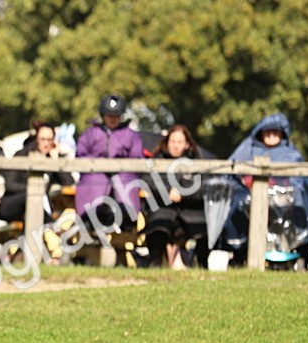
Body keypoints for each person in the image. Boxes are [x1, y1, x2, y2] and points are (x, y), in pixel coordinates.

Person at [222, 113, 308, 266]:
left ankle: (289, 255)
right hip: (248, 203)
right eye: (267, 132)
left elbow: (299, 183)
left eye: (275, 132)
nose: (271, 135)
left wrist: (283, 191)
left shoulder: (291, 154)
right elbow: (230, 175)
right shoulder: (247, 150)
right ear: (260, 133)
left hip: (283, 206)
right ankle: (241, 254)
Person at [75, 94, 143, 238]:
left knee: (127, 188)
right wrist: (99, 165)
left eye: (116, 115)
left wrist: (119, 167)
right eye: (109, 115)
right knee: (92, 185)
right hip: (95, 177)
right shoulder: (90, 133)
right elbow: (81, 154)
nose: (112, 118)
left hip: (123, 177)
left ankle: (126, 222)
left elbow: (137, 157)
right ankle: (88, 222)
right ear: (103, 115)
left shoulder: (131, 135)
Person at [143, 124, 211, 268]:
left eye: (179, 142)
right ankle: (155, 263)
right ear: (167, 142)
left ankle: (201, 264)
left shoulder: (197, 162)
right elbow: (148, 180)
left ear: (186, 144)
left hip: (190, 209)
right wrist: (168, 191)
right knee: (158, 224)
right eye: (173, 141)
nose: (175, 146)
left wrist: (184, 192)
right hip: (162, 206)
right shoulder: (157, 160)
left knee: (203, 227)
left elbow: (205, 185)